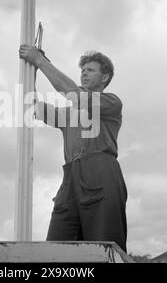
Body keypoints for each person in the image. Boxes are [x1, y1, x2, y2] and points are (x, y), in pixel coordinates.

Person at [19, 45, 128, 252]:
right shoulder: (69, 114)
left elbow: (74, 95)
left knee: (104, 249)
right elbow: (33, 107)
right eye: (82, 70)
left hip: (101, 173)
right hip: (70, 179)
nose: (84, 73)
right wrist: (30, 73)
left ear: (104, 78)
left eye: (91, 70)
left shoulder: (111, 102)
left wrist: (41, 62)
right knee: (56, 249)